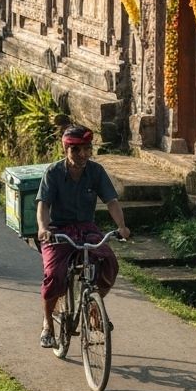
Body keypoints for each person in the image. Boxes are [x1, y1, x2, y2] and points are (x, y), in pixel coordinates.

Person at [35, 125, 131, 349]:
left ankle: (92, 306)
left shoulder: (96, 172)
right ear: (67, 150)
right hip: (57, 231)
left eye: (87, 149)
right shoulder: (53, 172)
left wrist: (122, 226)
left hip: (86, 228)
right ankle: (48, 324)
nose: (83, 155)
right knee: (53, 274)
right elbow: (43, 205)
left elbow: (112, 202)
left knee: (109, 264)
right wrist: (43, 228)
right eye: (77, 150)